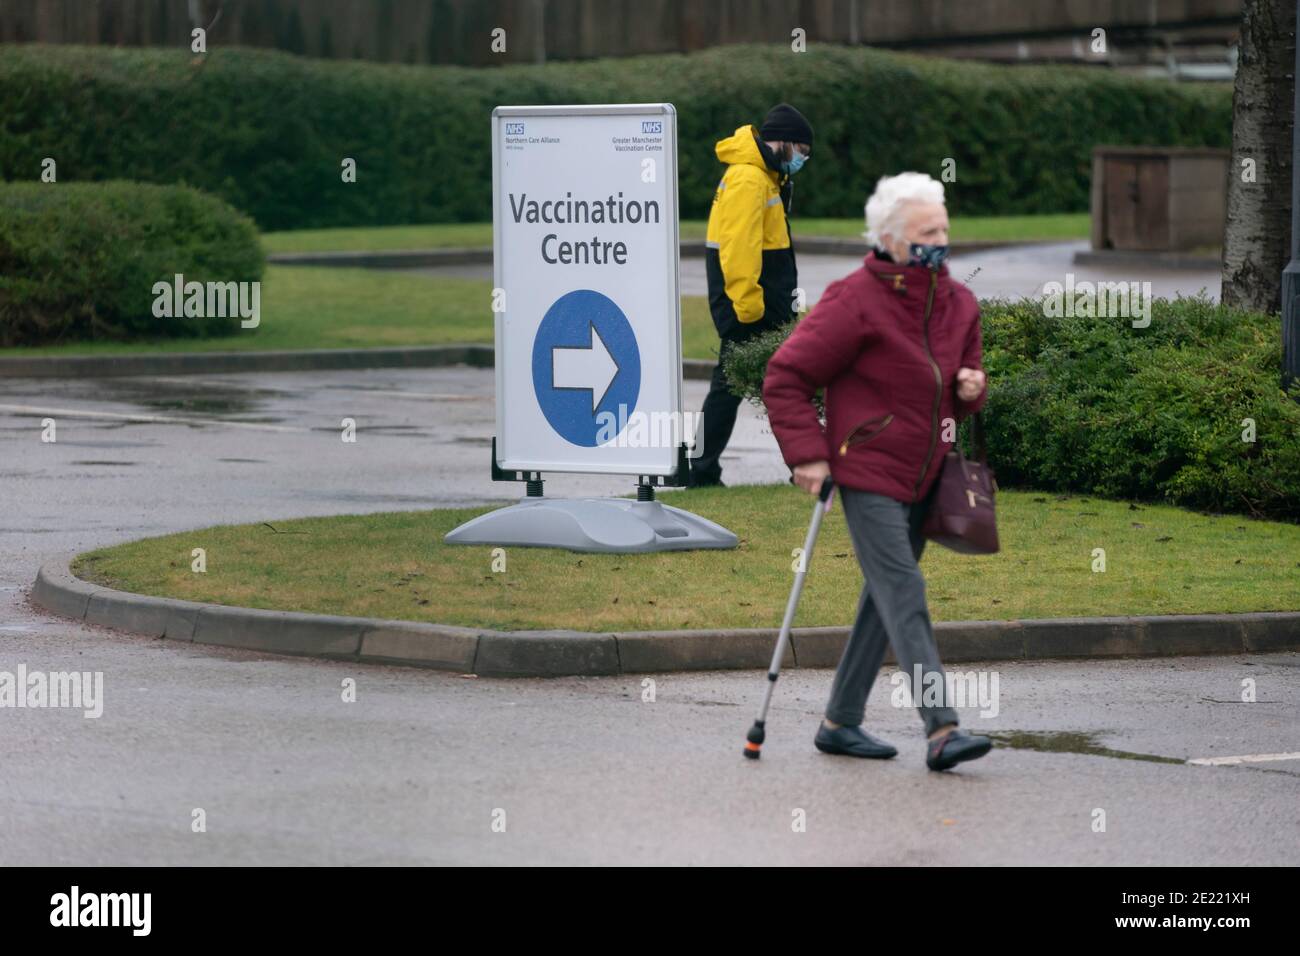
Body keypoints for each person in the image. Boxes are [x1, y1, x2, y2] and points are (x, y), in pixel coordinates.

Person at [761, 172, 994, 771]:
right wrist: (808, 454)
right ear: (890, 240)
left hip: (927, 473)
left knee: (882, 599)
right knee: (904, 591)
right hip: (865, 468)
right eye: (925, 232)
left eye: (943, 228)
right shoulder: (854, 300)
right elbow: (786, 376)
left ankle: (840, 722)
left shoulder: (958, 302)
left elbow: (959, 384)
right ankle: (942, 729)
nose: (938, 240)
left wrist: (972, 388)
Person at [688, 104, 813, 488]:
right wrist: (749, 308)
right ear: (786, 143)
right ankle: (803, 470)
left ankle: (702, 470)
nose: (802, 161)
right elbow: (739, 250)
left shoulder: (763, 176)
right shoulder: (748, 180)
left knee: (751, 386)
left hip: (757, 307)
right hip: (751, 309)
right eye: (802, 152)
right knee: (769, 386)